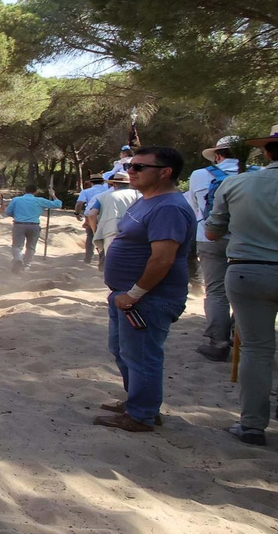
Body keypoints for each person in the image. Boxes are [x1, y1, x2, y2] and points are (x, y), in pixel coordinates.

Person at [94, 146, 197, 433]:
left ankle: (141, 415)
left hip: (148, 298)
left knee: (141, 355)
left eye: (139, 167)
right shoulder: (147, 201)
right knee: (123, 351)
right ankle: (138, 403)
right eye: (130, 166)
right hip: (127, 296)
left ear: (165, 173)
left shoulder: (169, 207)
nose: (130, 172)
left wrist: (135, 294)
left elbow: (162, 258)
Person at [204, 126, 278, 446]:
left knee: (256, 350)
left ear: (267, 151)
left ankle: (252, 425)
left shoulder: (236, 183)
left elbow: (212, 232)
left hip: (250, 270)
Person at [189, 135, 246, 362]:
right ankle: (238, 334)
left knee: (215, 291)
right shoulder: (256, 174)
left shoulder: (200, 175)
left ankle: (218, 342)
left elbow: (196, 208)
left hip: (210, 237)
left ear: (218, 155)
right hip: (247, 239)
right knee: (245, 291)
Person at [86, 172, 140, 271]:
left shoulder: (103, 196)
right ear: (130, 184)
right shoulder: (138, 195)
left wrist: (95, 231)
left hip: (111, 232)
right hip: (134, 232)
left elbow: (91, 214)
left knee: (113, 262)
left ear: (114, 184)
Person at [3, 184, 63, 271]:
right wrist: (53, 195)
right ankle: (27, 265)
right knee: (31, 247)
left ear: (25, 190)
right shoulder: (39, 200)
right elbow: (58, 204)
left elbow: (8, 212)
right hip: (34, 226)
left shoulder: (16, 200)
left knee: (17, 246)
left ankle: (18, 258)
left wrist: (17, 216)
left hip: (19, 225)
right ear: (35, 192)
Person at [75, 173, 109, 264]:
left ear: (91, 182)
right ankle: (103, 259)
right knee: (105, 237)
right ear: (102, 182)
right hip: (105, 215)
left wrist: (77, 213)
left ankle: (88, 258)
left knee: (91, 236)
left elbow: (79, 203)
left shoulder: (86, 191)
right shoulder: (108, 190)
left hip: (91, 215)